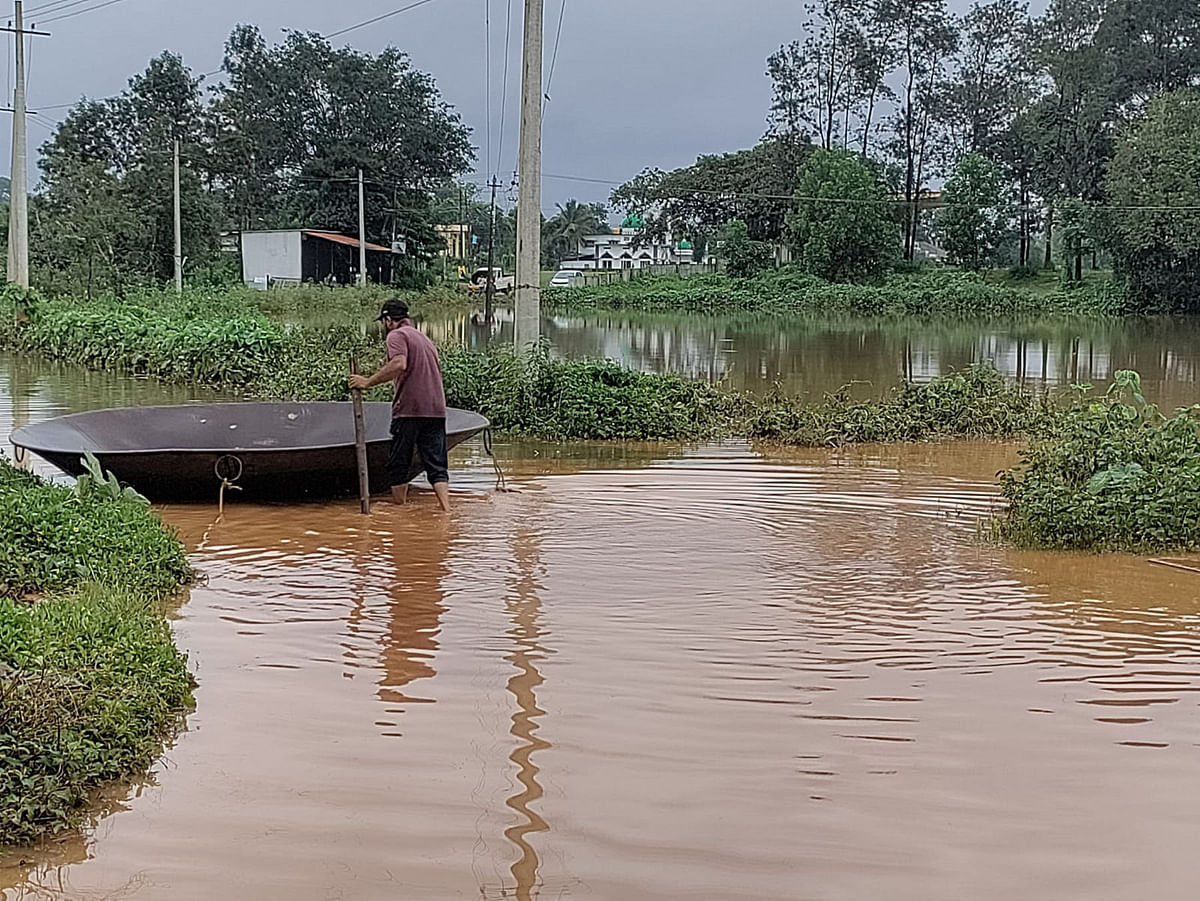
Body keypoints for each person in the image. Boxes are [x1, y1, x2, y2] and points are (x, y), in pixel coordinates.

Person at [349, 299, 451, 512]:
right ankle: (446, 510)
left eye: (383, 321)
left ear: (388, 320)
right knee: (436, 463)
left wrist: (367, 382)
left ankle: (400, 511)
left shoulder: (396, 335)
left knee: (399, 462)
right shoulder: (423, 338)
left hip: (410, 410)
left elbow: (399, 364)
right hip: (436, 409)